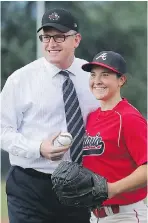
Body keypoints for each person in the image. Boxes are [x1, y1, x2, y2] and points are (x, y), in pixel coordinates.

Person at [1, 8, 99, 223]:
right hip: (31, 186)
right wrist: (39, 148)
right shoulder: (21, 79)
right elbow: (3, 131)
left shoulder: (94, 77)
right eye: (46, 36)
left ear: (76, 39)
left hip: (80, 184)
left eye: (60, 36)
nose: (51, 43)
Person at [81, 51, 147, 223]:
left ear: (121, 80)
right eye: (93, 75)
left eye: (105, 75)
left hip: (125, 216)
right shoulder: (91, 117)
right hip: (94, 215)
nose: (97, 81)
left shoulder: (129, 118)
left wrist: (111, 189)